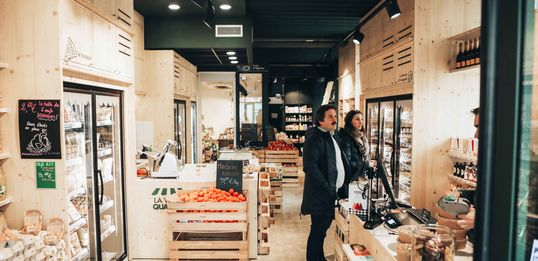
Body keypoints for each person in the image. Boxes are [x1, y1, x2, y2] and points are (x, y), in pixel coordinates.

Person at [301, 104, 350, 261]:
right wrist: (328, 187)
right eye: (330, 116)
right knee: (318, 230)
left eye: (335, 116)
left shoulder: (331, 135)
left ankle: (318, 257)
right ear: (320, 120)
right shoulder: (314, 138)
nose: (335, 119)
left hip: (332, 193)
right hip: (321, 195)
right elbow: (310, 167)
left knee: (321, 230)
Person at [336, 110, 371, 195]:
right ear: (350, 121)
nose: (360, 122)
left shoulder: (362, 136)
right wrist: (365, 164)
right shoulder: (345, 138)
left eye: (362, 119)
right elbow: (346, 163)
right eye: (357, 119)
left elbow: (362, 156)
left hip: (360, 178)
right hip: (350, 181)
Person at [456, 107, 479, 235]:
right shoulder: (494, 158)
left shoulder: (524, 165)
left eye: (480, 127)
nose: (476, 135)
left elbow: (523, 215)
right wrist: (461, 194)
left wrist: (482, 218)